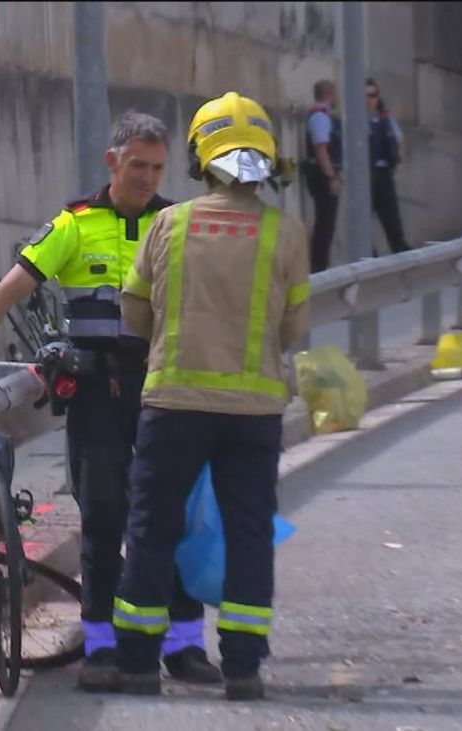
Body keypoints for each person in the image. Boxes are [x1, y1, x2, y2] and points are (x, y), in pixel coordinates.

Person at [0, 111, 220, 691]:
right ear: (112, 162)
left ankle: (184, 647)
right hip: (100, 394)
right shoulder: (75, 224)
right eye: (137, 166)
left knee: (168, 522)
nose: (148, 177)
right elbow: (13, 286)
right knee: (102, 523)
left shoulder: (174, 223)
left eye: (157, 167)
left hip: (163, 391)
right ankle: (101, 650)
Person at [112, 91, 311, 699]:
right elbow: (294, 328)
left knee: (151, 529)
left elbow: (132, 310)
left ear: (203, 157)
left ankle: (140, 665)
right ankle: (244, 667)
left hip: (173, 406)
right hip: (253, 413)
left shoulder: (171, 224)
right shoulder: (286, 232)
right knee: (248, 532)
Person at [366, 78, 412, 256]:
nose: (369, 99)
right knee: (362, 221)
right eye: (365, 95)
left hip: (383, 174)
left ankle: (400, 250)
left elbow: (400, 139)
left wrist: (398, 158)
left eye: (372, 94)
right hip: (365, 176)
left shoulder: (385, 117)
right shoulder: (355, 118)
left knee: (391, 217)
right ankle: (368, 254)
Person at [302, 79, 342, 273]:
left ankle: (319, 264)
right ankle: (319, 266)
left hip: (321, 173)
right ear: (329, 92)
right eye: (335, 93)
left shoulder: (323, 116)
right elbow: (321, 149)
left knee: (325, 221)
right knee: (325, 222)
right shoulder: (320, 117)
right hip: (322, 175)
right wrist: (331, 177)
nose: (337, 97)